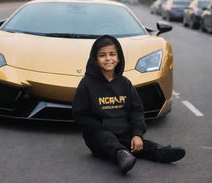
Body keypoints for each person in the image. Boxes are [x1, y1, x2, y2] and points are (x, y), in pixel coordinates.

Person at [72, 35, 186, 174]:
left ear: (119, 58)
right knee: (107, 139)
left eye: (112, 54)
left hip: (123, 134)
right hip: (98, 137)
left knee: (139, 144)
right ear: (95, 59)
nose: (108, 58)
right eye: (102, 55)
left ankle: (160, 152)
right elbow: (80, 115)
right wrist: (98, 127)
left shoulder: (125, 83)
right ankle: (121, 156)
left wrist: (137, 134)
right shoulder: (86, 84)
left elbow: (136, 110)